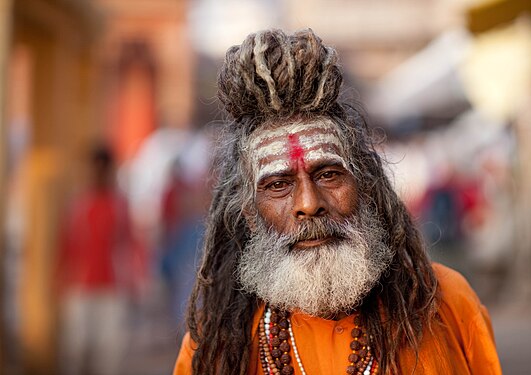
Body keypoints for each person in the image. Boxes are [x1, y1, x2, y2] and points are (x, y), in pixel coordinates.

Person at [173, 29, 501, 374]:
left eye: (328, 175)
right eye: (279, 184)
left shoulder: (446, 303)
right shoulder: (217, 346)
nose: (309, 203)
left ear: (365, 186)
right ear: (250, 215)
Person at [56, 145, 140, 375]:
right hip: (80, 286)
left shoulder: (120, 205)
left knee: (108, 353)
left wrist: (133, 280)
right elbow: (66, 243)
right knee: (75, 349)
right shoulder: (78, 204)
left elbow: (130, 244)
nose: (99, 174)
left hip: (112, 288)